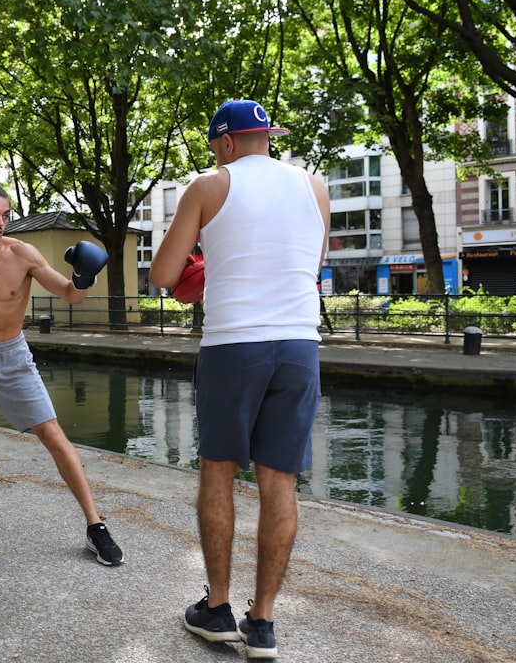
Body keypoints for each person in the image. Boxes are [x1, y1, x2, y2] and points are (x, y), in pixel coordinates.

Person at [150, 99, 329, 659]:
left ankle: (219, 608)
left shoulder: (208, 185)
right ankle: (264, 622)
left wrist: (210, 265)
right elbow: (310, 262)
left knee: (218, 473)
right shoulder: (314, 185)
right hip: (300, 346)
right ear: (265, 137)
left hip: (234, 345)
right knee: (281, 484)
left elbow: (162, 275)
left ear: (225, 143)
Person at [0, 183, 124, 567]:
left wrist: (84, 277)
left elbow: (71, 294)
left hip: (13, 358)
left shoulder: (24, 254)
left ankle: (95, 525)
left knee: (53, 435)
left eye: (6, 215)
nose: (0, 223)